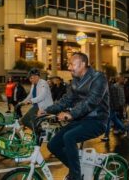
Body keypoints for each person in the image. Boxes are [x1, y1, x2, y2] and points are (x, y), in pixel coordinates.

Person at [38, 52, 109, 180]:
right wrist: (47, 110)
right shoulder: (75, 80)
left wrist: (70, 114)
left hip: (97, 120)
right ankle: (77, 169)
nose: (69, 67)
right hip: (81, 119)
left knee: (69, 137)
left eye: (72, 64)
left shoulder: (99, 78)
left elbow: (91, 102)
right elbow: (66, 100)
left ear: (83, 64)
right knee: (53, 145)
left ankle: (76, 176)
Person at [102, 75, 127, 141]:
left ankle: (106, 136)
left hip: (111, 107)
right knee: (115, 120)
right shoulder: (108, 87)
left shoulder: (111, 87)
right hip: (110, 107)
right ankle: (124, 129)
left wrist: (118, 106)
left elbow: (115, 98)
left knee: (108, 121)